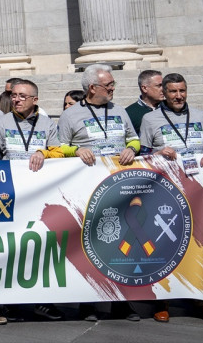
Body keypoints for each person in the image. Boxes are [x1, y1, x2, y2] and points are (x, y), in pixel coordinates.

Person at [57, 63, 140, 322]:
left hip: (119, 185)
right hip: (88, 189)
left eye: (113, 84)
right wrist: (76, 150)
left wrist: (133, 149)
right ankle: (89, 301)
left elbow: (133, 138)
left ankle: (121, 302)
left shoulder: (119, 111)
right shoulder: (70, 115)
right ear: (93, 88)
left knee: (121, 244)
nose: (113, 88)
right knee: (89, 243)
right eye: (109, 85)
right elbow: (58, 147)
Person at [138, 73, 203, 324]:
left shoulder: (199, 116)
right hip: (164, 193)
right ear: (164, 92)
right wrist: (156, 151)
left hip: (197, 191)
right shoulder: (149, 119)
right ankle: (162, 301)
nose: (178, 96)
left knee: (200, 246)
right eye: (173, 91)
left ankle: (202, 299)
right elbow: (142, 154)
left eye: (182, 91)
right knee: (164, 246)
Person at [0, 78, 64, 322]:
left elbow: (59, 151)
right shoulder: (0, 121)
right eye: (14, 95)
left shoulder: (47, 123)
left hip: (40, 194)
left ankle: (43, 300)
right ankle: (6, 301)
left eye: (23, 96)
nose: (16, 99)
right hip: (9, 193)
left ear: (35, 100)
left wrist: (43, 152)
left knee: (39, 244)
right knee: (10, 246)